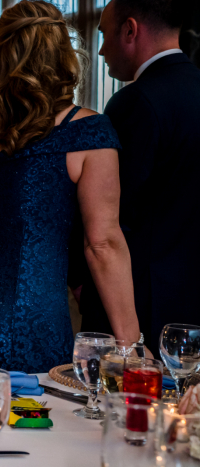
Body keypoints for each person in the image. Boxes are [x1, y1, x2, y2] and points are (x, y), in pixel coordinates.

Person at [0, 1, 141, 387]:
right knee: (29, 432)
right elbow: (102, 243)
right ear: (63, 55)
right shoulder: (87, 132)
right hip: (27, 312)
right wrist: (129, 345)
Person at [73, 0, 200, 347]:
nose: (100, 50)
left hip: (138, 305)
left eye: (103, 34)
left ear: (130, 30)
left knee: (122, 401)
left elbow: (109, 218)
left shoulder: (136, 102)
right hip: (191, 302)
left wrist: (81, 282)